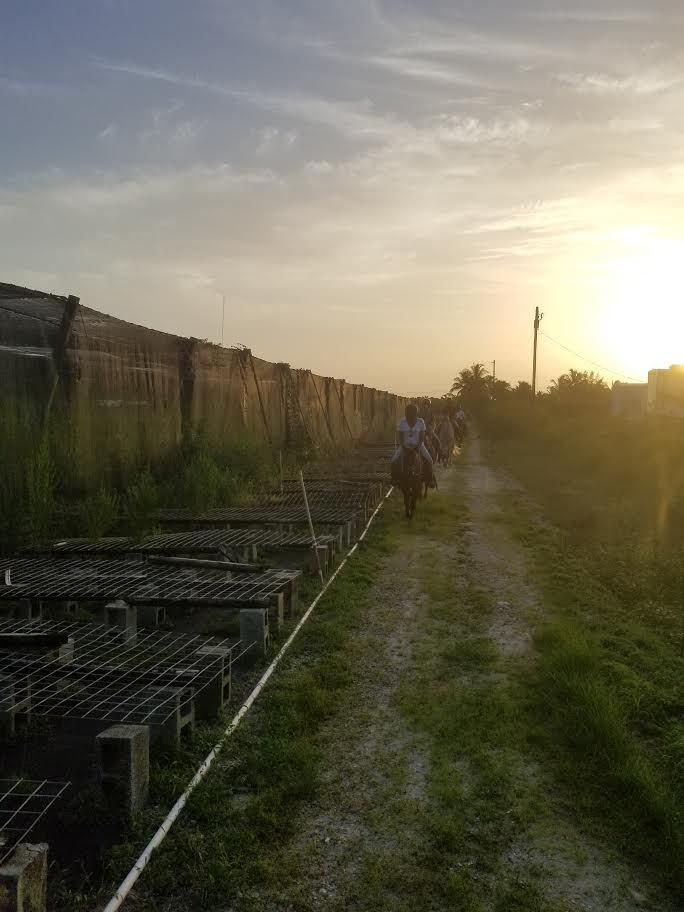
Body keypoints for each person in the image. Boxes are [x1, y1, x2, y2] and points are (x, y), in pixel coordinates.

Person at [392, 403, 434, 485]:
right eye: (409, 414)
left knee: (430, 460)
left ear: (415, 413)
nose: (410, 417)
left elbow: (422, 436)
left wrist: (417, 447)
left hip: (418, 446)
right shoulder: (402, 422)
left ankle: (430, 479)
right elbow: (400, 437)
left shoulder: (420, 422)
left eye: (412, 414)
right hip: (405, 447)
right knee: (393, 461)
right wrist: (404, 446)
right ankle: (394, 479)